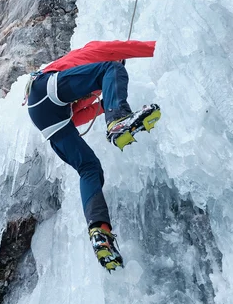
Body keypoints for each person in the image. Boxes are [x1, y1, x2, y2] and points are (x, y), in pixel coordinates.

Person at [24, 40, 160, 271]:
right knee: (112, 69)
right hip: (45, 87)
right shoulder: (89, 55)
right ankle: (118, 121)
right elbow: (118, 49)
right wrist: (157, 48)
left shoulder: (87, 86)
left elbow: (76, 118)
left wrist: (104, 107)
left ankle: (100, 230)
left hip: (46, 117)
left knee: (90, 168)